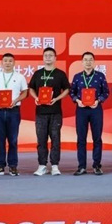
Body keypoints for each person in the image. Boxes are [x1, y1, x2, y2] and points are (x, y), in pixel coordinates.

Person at [28, 47, 70, 176]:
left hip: (55, 112)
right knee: (41, 140)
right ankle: (42, 165)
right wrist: (36, 98)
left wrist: (57, 98)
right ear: (43, 57)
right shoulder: (38, 74)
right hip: (40, 112)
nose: (48, 57)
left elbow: (67, 89)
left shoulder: (60, 74)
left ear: (55, 58)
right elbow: (31, 88)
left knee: (55, 139)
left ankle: (55, 165)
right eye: (46, 55)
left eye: (51, 55)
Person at [0, 53, 28, 177]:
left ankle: (13, 166)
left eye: (10, 61)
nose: (8, 63)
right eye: (5, 61)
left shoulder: (20, 77)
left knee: (13, 140)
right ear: (1, 63)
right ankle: (0, 166)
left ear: (14, 63)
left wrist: (16, 100)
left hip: (13, 111)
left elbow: (25, 93)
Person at [69, 52, 110, 175]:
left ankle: (97, 165)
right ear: (82, 62)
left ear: (94, 62)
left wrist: (98, 101)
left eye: (90, 60)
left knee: (97, 138)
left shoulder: (100, 76)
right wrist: (77, 100)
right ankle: (81, 166)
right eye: (85, 60)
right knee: (81, 138)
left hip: (96, 109)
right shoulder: (77, 77)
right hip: (81, 110)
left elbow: (106, 92)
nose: (88, 62)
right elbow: (72, 92)